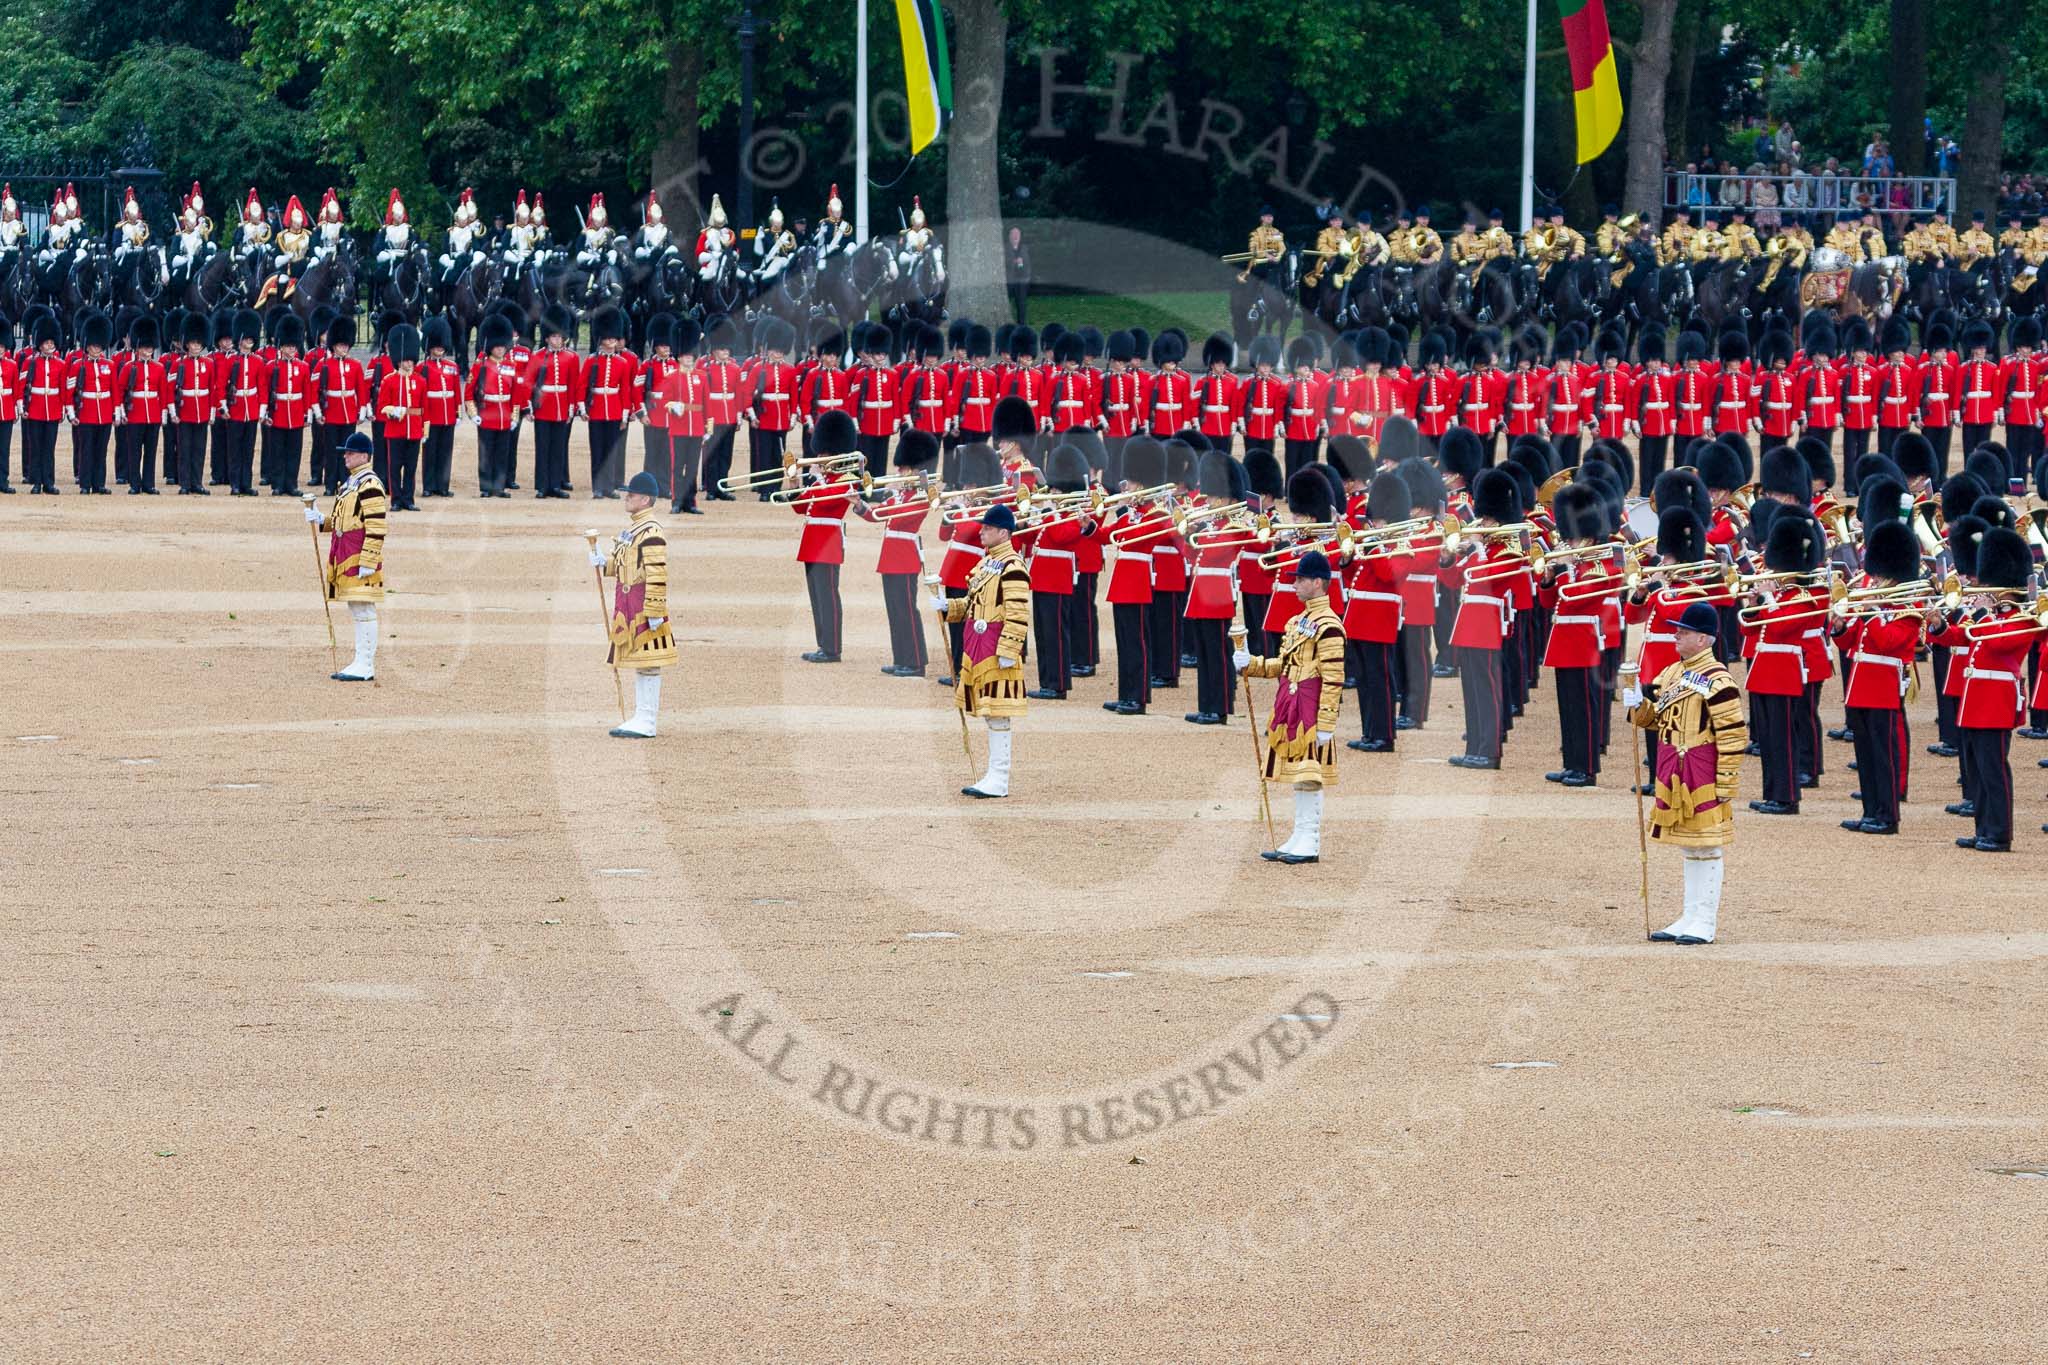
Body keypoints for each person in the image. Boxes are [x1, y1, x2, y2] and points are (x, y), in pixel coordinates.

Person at [1622, 600, 1748, 944]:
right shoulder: (1671, 674)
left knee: (1707, 845)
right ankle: (1690, 916)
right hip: (1673, 768)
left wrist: (1726, 780)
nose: (1677, 634)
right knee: (1690, 847)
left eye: (1685, 631)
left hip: (1701, 769)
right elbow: (1656, 720)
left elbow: (1733, 733)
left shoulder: (1719, 680)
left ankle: (1704, 921)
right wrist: (1638, 705)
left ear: (1704, 639)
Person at [1232, 549, 1345, 864]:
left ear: (1318, 583)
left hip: (1310, 709)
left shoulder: (1329, 624)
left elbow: (1334, 678)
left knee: (1310, 774)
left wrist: (1326, 722)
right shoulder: (1299, 620)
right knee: (1298, 774)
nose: (1294, 584)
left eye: (1301, 580)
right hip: (1292, 705)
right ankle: (1299, 834)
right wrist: (1250, 663)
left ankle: (1310, 839)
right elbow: (1283, 665)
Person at [932, 505, 1033, 799]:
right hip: (979, 643)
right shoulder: (986, 563)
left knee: (998, 712)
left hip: (997, 645)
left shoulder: (1013, 566)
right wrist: (948, 607)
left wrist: (1010, 648)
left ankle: (999, 778)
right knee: (989, 711)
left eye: (987, 529)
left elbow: (1017, 612)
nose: (981, 532)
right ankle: (993, 776)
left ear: (1003, 532)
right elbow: (972, 604)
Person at [589, 471, 678, 738]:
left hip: (643, 605)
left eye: (632, 494)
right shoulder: (632, 529)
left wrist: (654, 610)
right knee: (641, 662)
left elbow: (657, 573)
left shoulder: (651, 531)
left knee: (649, 662)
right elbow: (623, 565)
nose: (627, 497)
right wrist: (603, 562)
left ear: (645, 500)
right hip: (629, 604)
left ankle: (647, 720)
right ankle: (641, 716)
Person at [307, 432, 388, 682]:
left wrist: (369, 559)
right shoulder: (352, 482)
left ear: (364, 456)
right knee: (356, 608)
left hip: (359, 553)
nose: (346, 457)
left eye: (350, 453)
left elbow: (376, 525)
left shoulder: (369, 484)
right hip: (346, 551)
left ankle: (366, 664)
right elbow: (345, 519)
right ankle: (360, 660)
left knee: (364, 608)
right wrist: (323, 521)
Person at [788, 409, 861, 663]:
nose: (818, 457)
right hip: (811, 540)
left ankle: (832, 648)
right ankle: (823, 645)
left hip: (828, 541)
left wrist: (818, 479)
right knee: (817, 597)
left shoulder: (847, 478)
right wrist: (796, 484)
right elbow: (800, 508)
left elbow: (829, 502)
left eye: (824, 453)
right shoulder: (824, 479)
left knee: (828, 596)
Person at [375, 324, 426, 511]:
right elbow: (381, 406)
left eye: (411, 360)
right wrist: (394, 410)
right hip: (395, 430)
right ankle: (396, 499)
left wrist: (424, 431)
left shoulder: (420, 381)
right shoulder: (389, 380)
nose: (409, 363)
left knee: (411, 468)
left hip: (414, 430)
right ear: (398, 361)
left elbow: (424, 409)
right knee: (394, 467)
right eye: (406, 360)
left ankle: (408, 499)